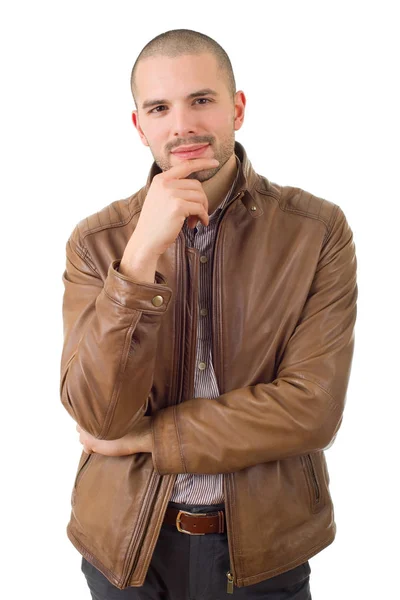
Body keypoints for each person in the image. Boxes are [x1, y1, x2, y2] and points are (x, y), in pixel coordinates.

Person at [60, 28, 358, 600]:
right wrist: (139, 258)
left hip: (265, 552)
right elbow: (99, 415)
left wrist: (150, 438)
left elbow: (312, 409)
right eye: (159, 108)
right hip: (127, 551)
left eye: (201, 100)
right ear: (139, 125)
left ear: (237, 108)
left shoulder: (316, 232)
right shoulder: (96, 243)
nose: (182, 126)